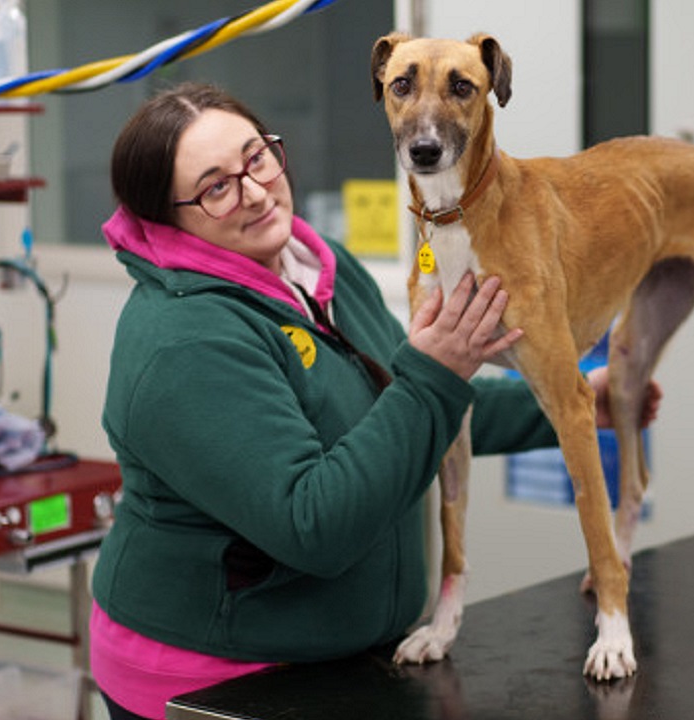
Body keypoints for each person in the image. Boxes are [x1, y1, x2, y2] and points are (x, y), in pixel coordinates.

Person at [90, 82, 662, 720]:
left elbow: (401, 405)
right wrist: (434, 373)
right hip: (214, 683)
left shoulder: (315, 266)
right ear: (165, 217)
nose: (255, 191)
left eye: (257, 159)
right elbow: (313, 524)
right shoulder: (186, 342)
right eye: (216, 186)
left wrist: (564, 406)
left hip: (345, 660)